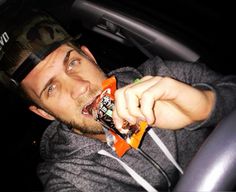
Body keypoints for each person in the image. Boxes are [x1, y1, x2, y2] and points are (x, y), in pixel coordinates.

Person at [1, 8, 236, 192]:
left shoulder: (165, 75)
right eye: (51, 88)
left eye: (73, 63)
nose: (80, 86)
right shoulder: (69, 179)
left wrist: (206, 106)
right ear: (44, 113)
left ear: (90, 57)